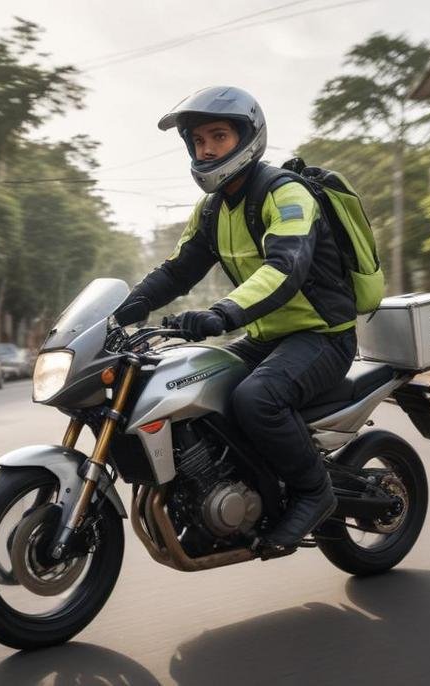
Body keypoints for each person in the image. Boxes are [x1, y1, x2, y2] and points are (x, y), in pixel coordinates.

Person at [113, 86, 358, 549]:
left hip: (322, 336)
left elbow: (284, 268)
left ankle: (313, 492)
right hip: (267, 337)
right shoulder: (211, 210)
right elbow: (177, 270)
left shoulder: (287, 193)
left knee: (256, 400)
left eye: (218, 136)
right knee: (192, 385)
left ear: (248, 137)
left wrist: (220, 315)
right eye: (198, 140)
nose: (206, 149)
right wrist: (123, 310)